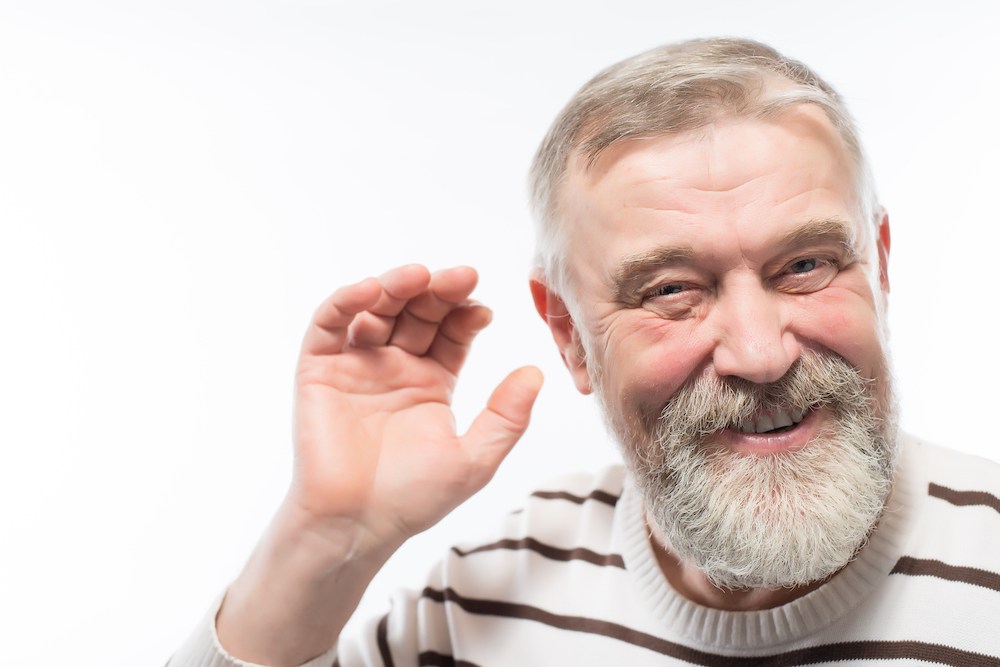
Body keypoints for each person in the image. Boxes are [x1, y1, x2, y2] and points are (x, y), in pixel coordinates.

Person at [171, 38, 1000, 666]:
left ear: (879, 266)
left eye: (807, 265)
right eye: (671, 288)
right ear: (569, 333)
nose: (759, 353)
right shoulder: (485, 601)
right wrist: (327, 538)